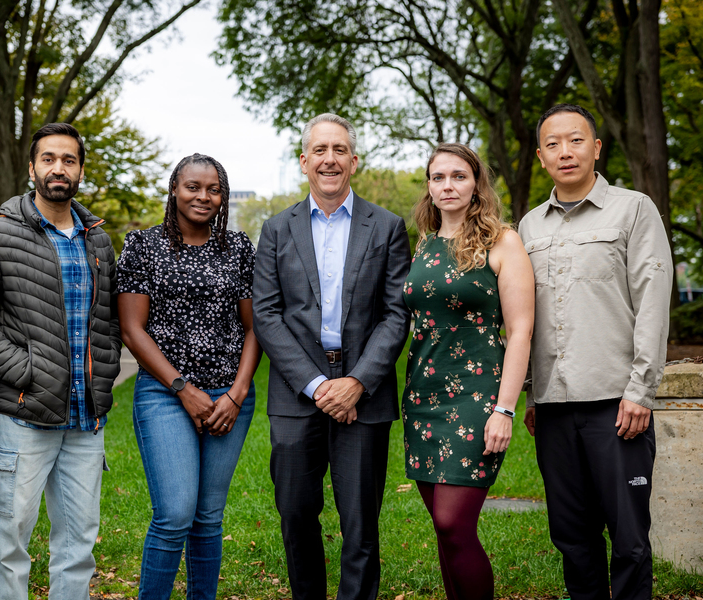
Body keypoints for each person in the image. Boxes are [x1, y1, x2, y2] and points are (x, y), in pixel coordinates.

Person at [252, 113, 411, 600]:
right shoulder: (277, 229)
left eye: (339, 150)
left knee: (360, 522)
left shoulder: (386, 227)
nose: (329, 159)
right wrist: (317, 385)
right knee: (296, 513)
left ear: (354, 161)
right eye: (319, 150)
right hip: (296, 393)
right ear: (304, 161)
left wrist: (357, 382)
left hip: (364, 390)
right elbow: (266, 313)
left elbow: (395, 314)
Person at [0, 123, 121, 600]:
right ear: (32, 168)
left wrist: (103, 378)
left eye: (68, 160)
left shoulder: (97, 241)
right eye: (48, 159)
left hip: (83, 420)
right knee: (11, 547)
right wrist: (26, 371)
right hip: (21, 415)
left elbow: (107, 321)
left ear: (80, 170)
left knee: (78, 545)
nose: (59, 168)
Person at [519, 104, 672, 600]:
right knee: (572, 538)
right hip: (554, 409)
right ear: (541, 157)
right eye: (554, 144)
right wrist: (531, 397)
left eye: (577, 140)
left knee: (628, 541)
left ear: (596, 148)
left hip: (616, 403)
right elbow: (524, 319)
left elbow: (652, 302)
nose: (566, 151)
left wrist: (640, 391)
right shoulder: (528, 228)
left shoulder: (634, 209)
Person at [117, 153, 261, 599]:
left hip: (229, 396)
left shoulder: (237, 248)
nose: (203, 196)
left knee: (207, 517)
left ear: (224, 195)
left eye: (213, 189)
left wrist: (236, 394)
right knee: (175, 513)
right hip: (165, 394)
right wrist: (183, 388)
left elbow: (256, 327)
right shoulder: (143, 246)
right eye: (193, 187)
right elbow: (132, 328)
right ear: (174, 190)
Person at [402, 143, 534, 600]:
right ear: (430, 187)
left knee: (453, 523)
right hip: (423, 398)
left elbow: (520, 331)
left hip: (477, 399)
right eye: (438, 177)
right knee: (445, 533)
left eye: (458, 176)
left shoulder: (503, 241)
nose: (448, 185)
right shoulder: (423, 241)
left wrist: (505, 410)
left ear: (476, 182)